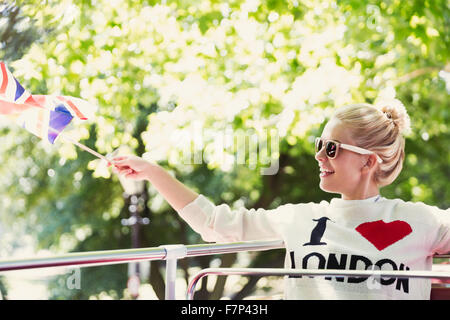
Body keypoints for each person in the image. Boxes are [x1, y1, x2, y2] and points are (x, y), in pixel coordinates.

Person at [110, 100, 450, 300]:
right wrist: (152, 171)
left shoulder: (421, 221)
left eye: (331, 148)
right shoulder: (299, 218)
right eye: (319, 144)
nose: (319, 156)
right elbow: (212, 223)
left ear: (367, 160)